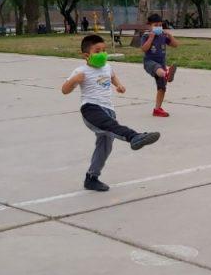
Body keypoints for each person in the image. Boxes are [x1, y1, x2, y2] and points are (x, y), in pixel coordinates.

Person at [61, 34, 161, 191]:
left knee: (105, 146)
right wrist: (74, 80)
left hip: (108, 109)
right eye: (97, 51)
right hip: (91, 108)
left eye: (104, 50)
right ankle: (134, 137)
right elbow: (64, 90)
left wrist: (119, 85)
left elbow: (112, 76)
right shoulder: (81, 70)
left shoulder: (107, 67)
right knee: (110, 126)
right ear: (86, 55)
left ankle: (91, 178)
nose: (102, 54)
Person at [140, 13, 179, 117]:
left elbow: (175, 45)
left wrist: (170, 36)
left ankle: (157, 109)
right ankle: (167, 74)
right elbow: (144, 49)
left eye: (160, 25)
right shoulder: (146, 35)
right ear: (149, 26)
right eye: (156, 25)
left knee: (162, 87)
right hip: (149, 62)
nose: (158, 27)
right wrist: (151, 38)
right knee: (157, 68)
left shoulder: (162, 36)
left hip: (162, 63)